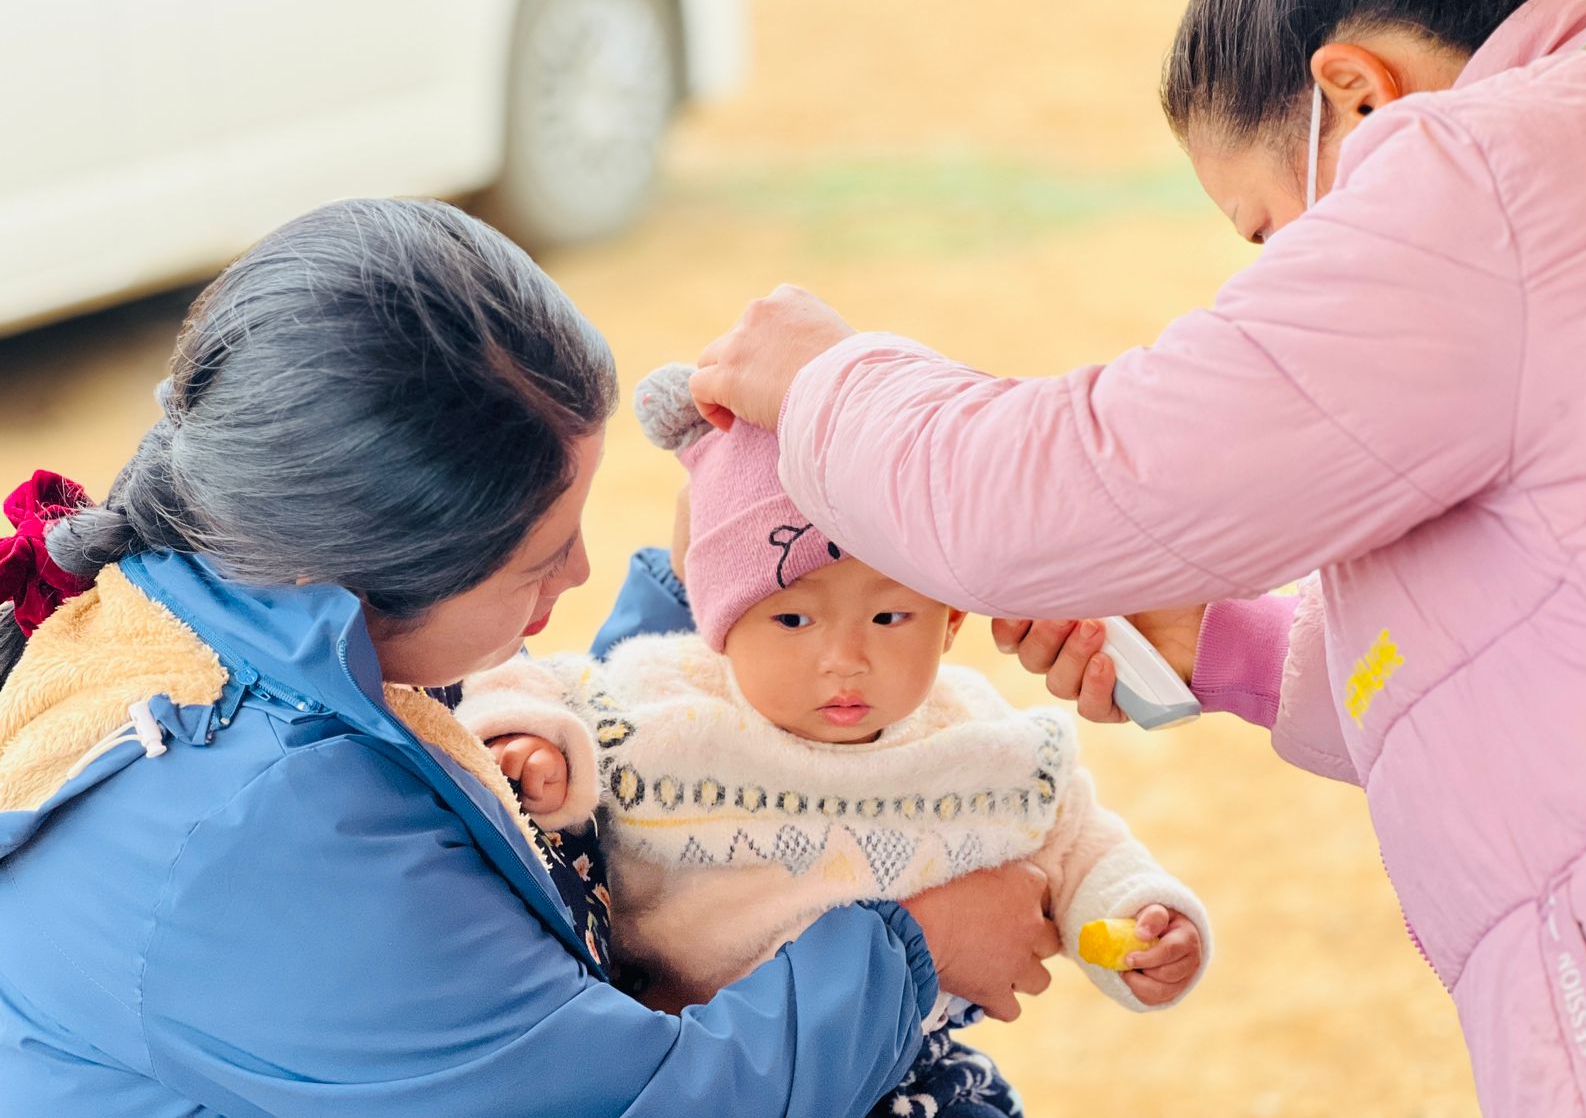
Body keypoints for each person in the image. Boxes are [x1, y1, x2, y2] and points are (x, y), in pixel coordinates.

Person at [686, 0, 1586, 1114]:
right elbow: (1530, 618)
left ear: (1358, 98)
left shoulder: (1488, 172)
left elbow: (1069, 483)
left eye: (1269, 237)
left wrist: (825, 377)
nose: (1276, 284)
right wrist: (1223, 645)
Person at [0, 198, 1057, 1117]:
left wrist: (715, 593)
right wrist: (908, 952)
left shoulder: (220, 610)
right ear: (373, 574)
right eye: (538, 562)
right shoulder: (255, 832)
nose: (582, 575)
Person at [456, 364, 1210, 1118]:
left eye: (889, 619)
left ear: (951, 620)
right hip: (712, 1057)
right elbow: (530, 682)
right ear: (718, 618)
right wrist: (534, 744)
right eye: (791, 620)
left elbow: (1077, 842)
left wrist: (1140, 920)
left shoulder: (970, 736)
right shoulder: (666, 699)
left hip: (903, 1070)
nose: (845, 660)